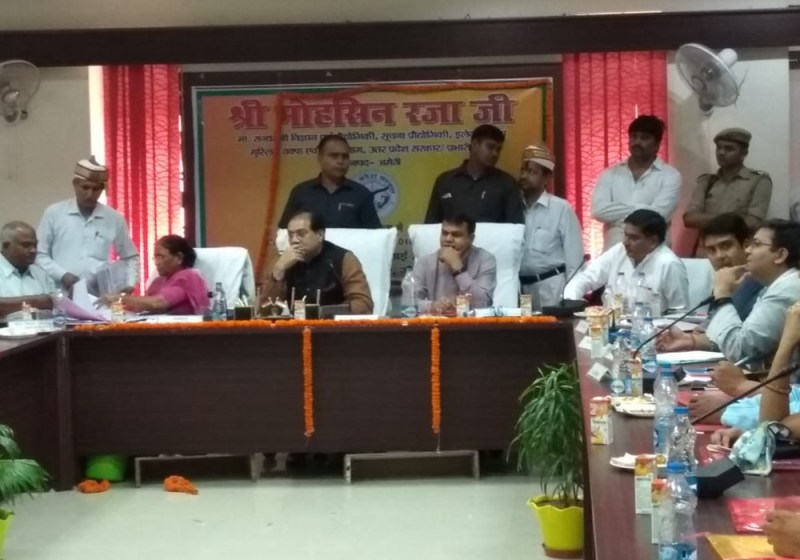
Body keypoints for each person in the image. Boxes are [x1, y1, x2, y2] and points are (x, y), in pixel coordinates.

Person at [658, 220, 800, 363]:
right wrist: (691, 340)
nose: (747, 251)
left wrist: (722, 296)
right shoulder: (773, 285)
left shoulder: (787, 290)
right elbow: (741, 340)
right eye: (711, 249)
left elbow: (741, 349)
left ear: (780, 255)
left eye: (756, 244)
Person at [36, 157, 140, 295]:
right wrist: (63, 275)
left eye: (95, 189)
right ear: (75, 184)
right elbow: (39, 254)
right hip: (60, 293)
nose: (90, 194)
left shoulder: (114, 218)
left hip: (99, 297)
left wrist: (129, 285)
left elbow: (130, 257)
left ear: (102, 190)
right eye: (85, 187)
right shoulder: (54, 213)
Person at [563, 209, 688, 311]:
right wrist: (571, 301)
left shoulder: (669, 264)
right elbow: (585, 278)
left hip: (651, 330)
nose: (625, 242)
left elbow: (679, 313)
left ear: (653, 242)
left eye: (633, 238)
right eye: (626, 235)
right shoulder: (619, 251)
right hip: (610, 327)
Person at [591, 115, 681, 250]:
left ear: (657, 145)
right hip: (614, 252)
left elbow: (658, 216)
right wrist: (643, 209)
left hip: (653, 253)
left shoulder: (670, 176)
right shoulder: (609, 174)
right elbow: (598, 211)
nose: (637, 142)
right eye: (634, 136)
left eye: (644, 138)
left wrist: (617, 216)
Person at [263, 210, 373, 313]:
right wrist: (278, 271)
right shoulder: (285, 261)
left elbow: (363, 305)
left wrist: (322, 314)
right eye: (290, 235)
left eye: (301, 234)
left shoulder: (343, 259)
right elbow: (264, 311)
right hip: (297, 326)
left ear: (320, 235)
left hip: (334, 325)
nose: (294, 240)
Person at [517, 144, 584, 310]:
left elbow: (575, 259)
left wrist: (571, 296)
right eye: (523, 171)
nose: (524, 176)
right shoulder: (513, 208)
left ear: (547, 178)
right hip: (521, 290)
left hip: (552, 289)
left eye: (532, 172)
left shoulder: (561, 208)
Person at [683, 128, 772, 243]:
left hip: (740, 248)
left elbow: (753, 222)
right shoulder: (707, 181)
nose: (721, 152)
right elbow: (689, 219)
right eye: (718, 147)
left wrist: (706, 218)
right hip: (707, 248)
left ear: (744, 153)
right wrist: (735, 219)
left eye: (729, 149)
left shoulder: (759, 180)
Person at [277, 135, 382, 229]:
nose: (340, 161)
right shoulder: (301, 192)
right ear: (320, 158)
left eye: (345, 156)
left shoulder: (361, 194)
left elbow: (374, 234)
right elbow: (285, 232)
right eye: (334, 156)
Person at [424, 124, 523, 224]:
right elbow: (431, 225)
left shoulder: (507, 184)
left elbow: (515, 227)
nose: (495, 154)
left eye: (498, 149)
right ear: (475, 145)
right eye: (490, 147)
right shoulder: (445, 181)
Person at [97, 235, 209, 315]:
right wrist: (114, 304)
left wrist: (120, 297)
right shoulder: (158, 281)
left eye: (161, 257)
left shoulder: (189, 276)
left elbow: (158, 303)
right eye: (155, 257)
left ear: (179, 258)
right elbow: (139, 307)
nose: (157, 262)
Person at [413, 213, 496, 313]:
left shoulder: (486, 260)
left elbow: (483, 304)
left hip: (472, 322)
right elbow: (409, 304)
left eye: (456, 235)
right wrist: (432, 306)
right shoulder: (425, 263)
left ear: (471, 239)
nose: (448, 239)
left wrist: (458, 268)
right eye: (444, 233)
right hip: (437, 321)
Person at [0, 221, 54, 316]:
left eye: (35, 245)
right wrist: (37, 301)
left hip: (41, 325)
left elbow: (55, 304)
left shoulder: (41, 274)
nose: (33, 250)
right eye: (26, 245)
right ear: (6, 246)